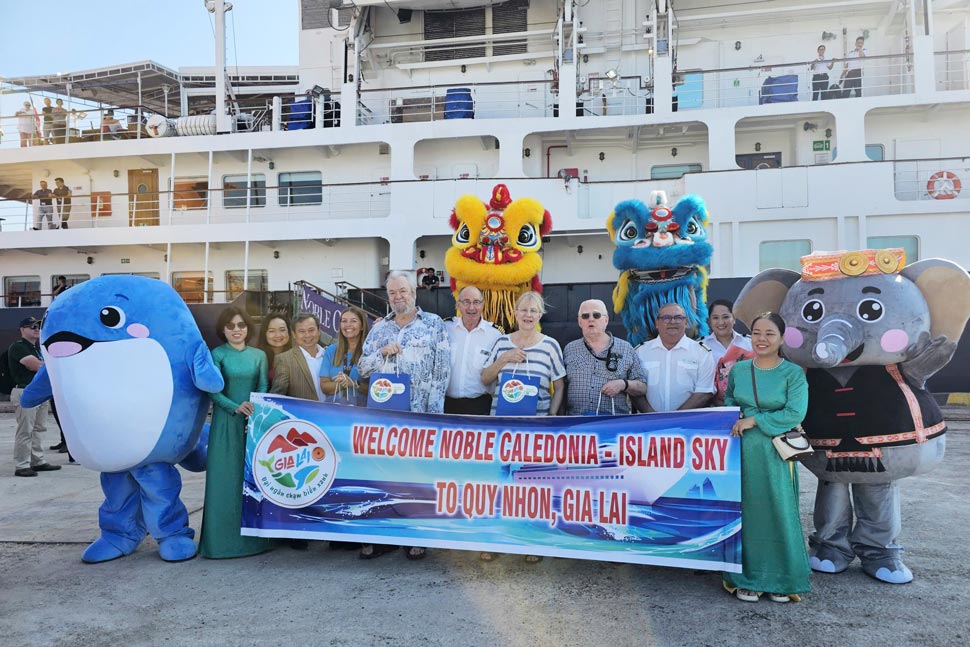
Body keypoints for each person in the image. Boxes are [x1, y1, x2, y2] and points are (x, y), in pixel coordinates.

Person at [359, 270, 451, 561]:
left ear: (414, 293)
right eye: (393, 293)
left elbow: (442, 372)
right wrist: (381, 354)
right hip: (386, 421)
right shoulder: (379, 330)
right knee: (385, 478)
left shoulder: (434, 324)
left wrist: (433, 417)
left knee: (417, 478)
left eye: (404, 291)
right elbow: (362, 368)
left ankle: (417, 536)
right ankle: (384, 536)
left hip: (420, 417)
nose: (399, 297)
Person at [721, 312, 811, 603]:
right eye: (756, 332)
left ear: (782, 339)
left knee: (777, 509)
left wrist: (755, 420)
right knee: (746, 511)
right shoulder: (739, 370)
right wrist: (740, 417)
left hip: (776, 452)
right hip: (742, 450)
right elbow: (730, 401)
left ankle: (783, 579)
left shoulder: (793, 374)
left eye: (769, 333)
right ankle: (747, 577)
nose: (761, 339)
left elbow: (795, 413)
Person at [480, 290, 565, 563]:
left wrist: (551, 414)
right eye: (523, 310)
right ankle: (495, 539)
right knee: (500, 482)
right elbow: (484, 378)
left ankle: (532, 542)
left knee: (532, 485)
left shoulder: (550, 345)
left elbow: (560, 383)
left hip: (535, 428)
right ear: (515, 313)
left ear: (540, 315)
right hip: (502, 427)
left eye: (534, 310)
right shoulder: (501, 342)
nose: (528, 315)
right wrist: (504, 359)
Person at [199, 307, 273, 558]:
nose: (236, 330)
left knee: (252, 479)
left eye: (241, 325)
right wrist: (235, 407)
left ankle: (254, 542)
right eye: (230, 326)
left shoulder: (259, 355)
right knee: (224, 481)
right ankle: (220, 544)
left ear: (248, 328)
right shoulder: (217, 354)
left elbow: (263, 384)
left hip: (253, 422)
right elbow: (212, 389)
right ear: (223, 329)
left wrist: (255, 406)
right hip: (225, 423)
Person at [562, 299, 645, 416]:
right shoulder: (569, 349)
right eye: (585, 316)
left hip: (612, 425)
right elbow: (561, 388)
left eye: (596, 315)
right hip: (576, 427)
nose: (591, 319)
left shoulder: (626, 348)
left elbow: (642, 386)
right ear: (580, 321)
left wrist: (623, 384)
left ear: (606, 320)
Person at [634, 302, 715, 412]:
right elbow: (635, 390)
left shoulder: (702, 352)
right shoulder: (640, 352)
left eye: (678, 318)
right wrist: (652, 416)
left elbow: (704, 392)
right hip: (649, 423)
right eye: (666, 318)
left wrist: (675, 418)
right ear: (657, 323)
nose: (672, 322)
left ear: (685, 322)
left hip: (687, 424)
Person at [10, 317, 61, 477]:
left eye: (38, 326)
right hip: (24, 392)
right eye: (32, 326)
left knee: (39, 429)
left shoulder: (36, 348)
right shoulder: (18, 347)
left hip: (39, 394)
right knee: (25, 430)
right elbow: (36, 366)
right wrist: (49, 366)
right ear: (22, 330)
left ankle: (37, 461)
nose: (36, 329)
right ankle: (22, 465)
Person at [444, 286, 502, 415]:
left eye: (476, 302)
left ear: (483, 305)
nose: (471, 307)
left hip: (480, 406)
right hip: (446, 405)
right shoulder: (445, 329)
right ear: (458, 304)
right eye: (466, 302)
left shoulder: (495, 335)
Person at [319, 306, 370, 407]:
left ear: (362, 326)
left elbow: (376, 389)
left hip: (362, 412)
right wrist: (342, 384)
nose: (348, 325)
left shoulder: (370, 352)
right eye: (344, 321)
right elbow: (324, 386)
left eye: (353, 321)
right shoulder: (331, 350)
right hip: (334, 411)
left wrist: (354, 383)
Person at [270, 313, 327, 402]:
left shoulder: (331, 355)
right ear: (294, 334)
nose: (307, 335)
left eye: (311, 330)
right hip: (303, 415)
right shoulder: (284, 359)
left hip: (335, 414)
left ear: (319, 331)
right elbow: (277, 395)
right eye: (302, 331)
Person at [702, 299, 752, 365]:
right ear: (710, 321)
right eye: (715, 318)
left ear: (734, 318)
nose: (721, 322)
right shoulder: (701, 345)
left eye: (725, 317)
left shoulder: (749, 343)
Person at [257, 314, 292, 383]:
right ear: (264, 334)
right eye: (271, 331)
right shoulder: (257, 357)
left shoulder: (297, 355)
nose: (278, 335)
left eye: (282, 330)